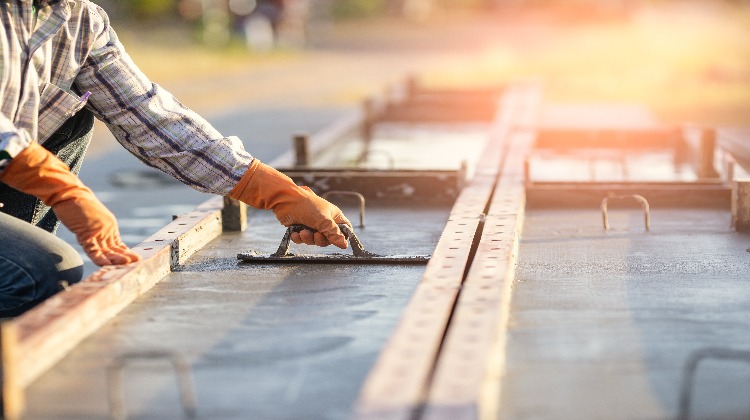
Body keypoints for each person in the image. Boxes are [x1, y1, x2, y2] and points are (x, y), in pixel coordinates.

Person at [0, 0, 351, 318]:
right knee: (39, 273)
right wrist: (63, 190)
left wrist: (278, 192)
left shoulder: (78, 19)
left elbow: (149, 116)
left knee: (71, 118)